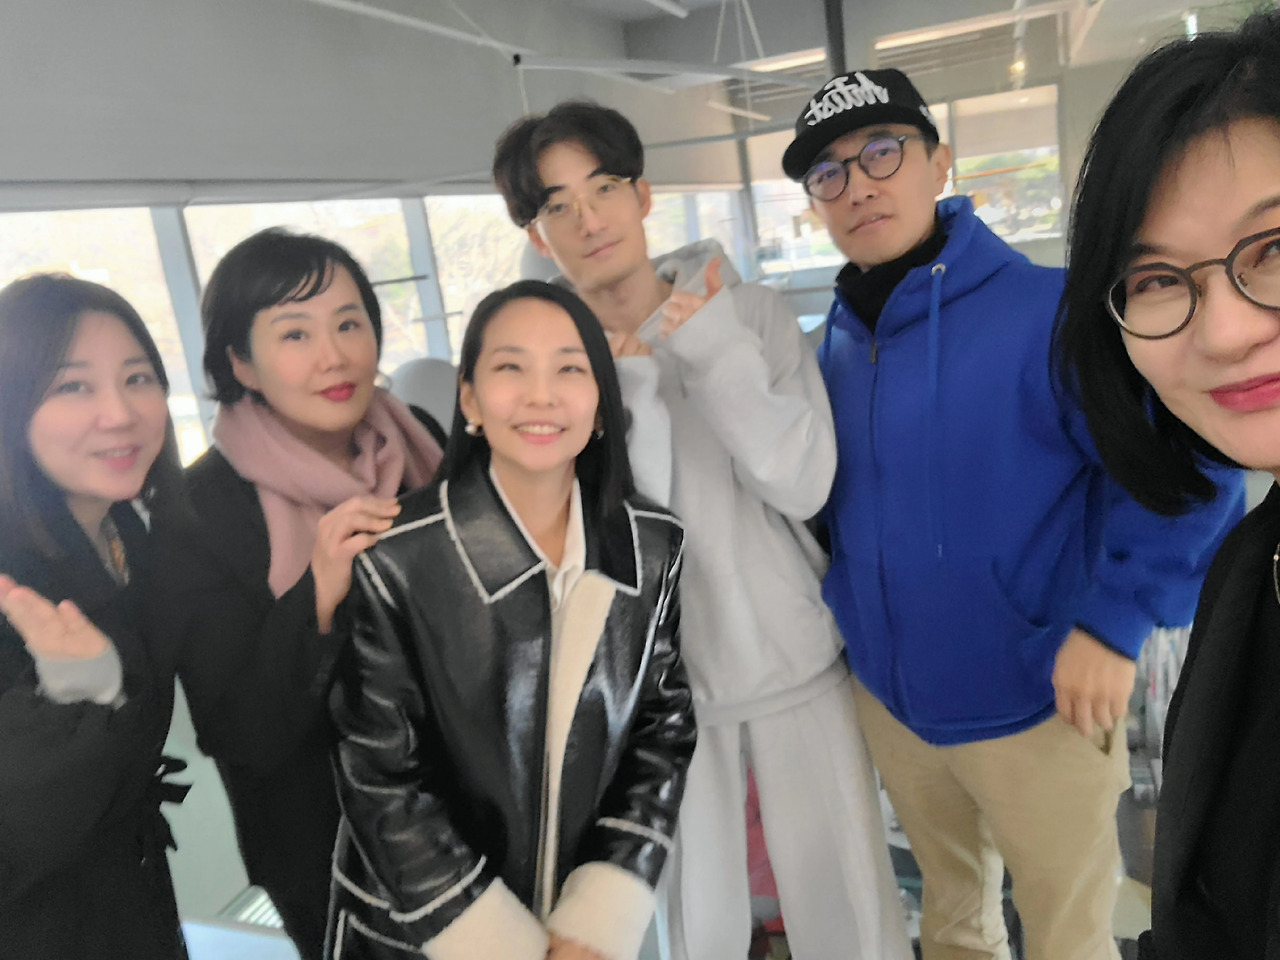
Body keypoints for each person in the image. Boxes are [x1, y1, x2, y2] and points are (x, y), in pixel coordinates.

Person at [789, 67, 1244, 959]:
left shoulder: (1054, 315)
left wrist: (1113, 624)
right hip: (894, 703)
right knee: (953, 920)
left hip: (1042, 701)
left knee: (1068, 936)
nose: (858, 185)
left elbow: (1187, 461)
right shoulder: (827, 351)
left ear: (939, 163)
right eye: (828, 172)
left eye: (882, 152)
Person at [492, 102, 911, 960]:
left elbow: (804, 481)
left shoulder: (749, 314)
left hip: (793, 663)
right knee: (698, 929)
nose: (588, 219)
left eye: (604, 188)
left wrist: (713, 350)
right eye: (558, 205)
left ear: (643, 194)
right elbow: (605, 546)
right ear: (537, 235)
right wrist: (633, 390)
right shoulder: (550, 369)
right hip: (659, 696)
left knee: (851, 914)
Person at [326, 280, 695, 960]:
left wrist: (598, 917)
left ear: (601, 402)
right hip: (424, 934)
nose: (540, 395)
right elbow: (380, 775)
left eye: (569, 369)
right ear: (469, 399)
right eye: (510, 367)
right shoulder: (398, 558)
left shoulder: (652, 545)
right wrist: (494, 943)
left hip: (578, 935)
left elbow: (661, 732)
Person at [149, 229, 443, 960]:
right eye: (294, 334)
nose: (333, 356)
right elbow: (239, 731)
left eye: (348, 323)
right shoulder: (199, 511)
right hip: (338, 857)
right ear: (240, 363)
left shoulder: (424, 447)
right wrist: (320, 591)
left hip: (477, 813)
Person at [1056, 11, 1280, 957]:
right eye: (1155, 279)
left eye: (1274, 247)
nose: (1222, 331)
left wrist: (1113, 619)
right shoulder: (1252, 565)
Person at [0, 274, 187, 958]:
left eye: (137, 378)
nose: (119, 413)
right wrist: (69, 701)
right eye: (73, 386)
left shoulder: (126, 532)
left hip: (128, 896)